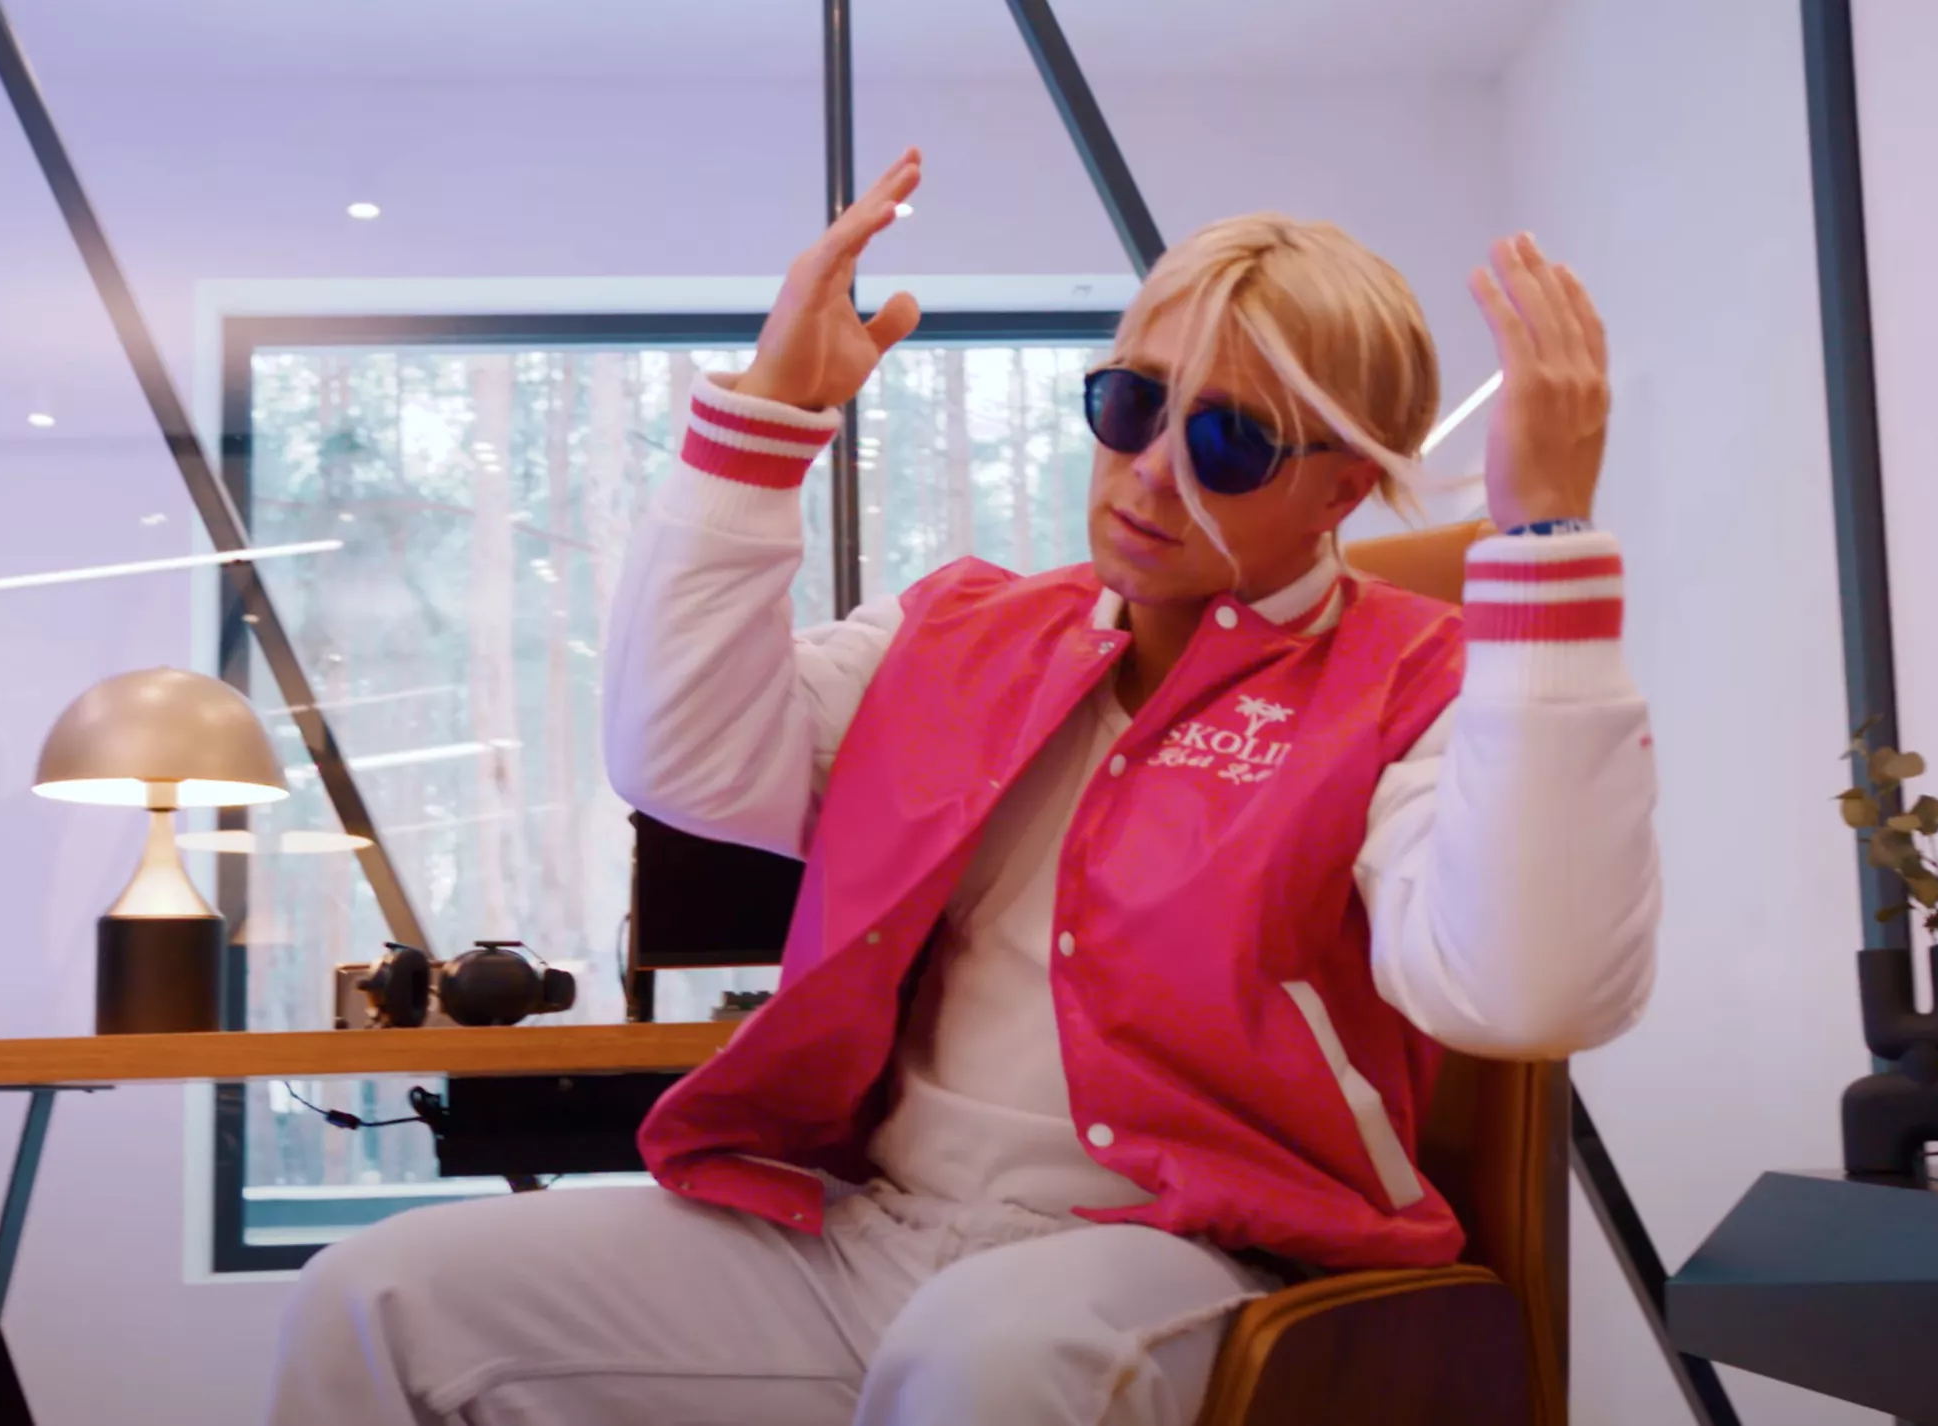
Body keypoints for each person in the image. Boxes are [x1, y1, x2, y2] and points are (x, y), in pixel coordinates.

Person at [266, 147, 1658, 1426]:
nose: (1150, 473)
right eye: (1131, 404)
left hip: (1196, 1254)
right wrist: (771, 414)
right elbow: (682, 757)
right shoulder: (960, 631)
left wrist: (1543, 547)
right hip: (868, 1233)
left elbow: (1529, 992)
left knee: (987, 1358)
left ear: (1343, 489)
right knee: (379, 1299)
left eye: (1229, 443)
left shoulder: (1414, 679)